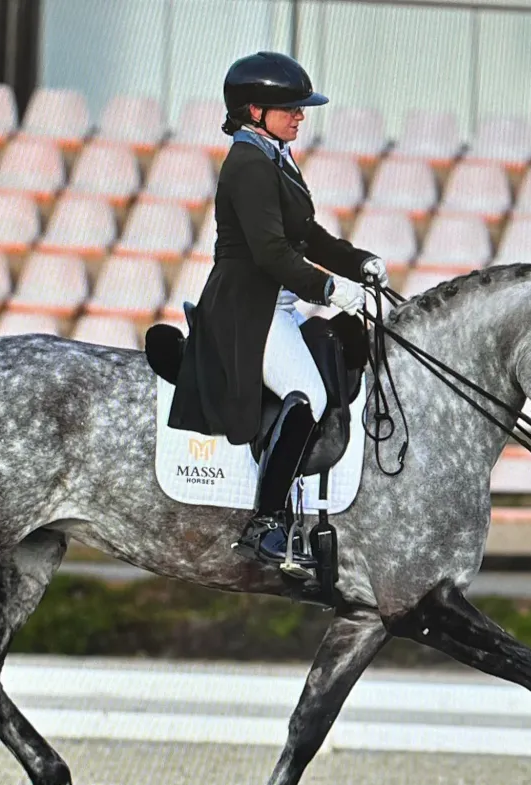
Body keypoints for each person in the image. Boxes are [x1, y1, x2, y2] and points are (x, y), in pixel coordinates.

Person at [167, 50, 389, 575]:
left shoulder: (275, 156)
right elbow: (271, 254)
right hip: (248, 306)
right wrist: (330, 289)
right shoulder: (247, 163)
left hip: (277, 301)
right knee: (308, 395)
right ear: (253, 111)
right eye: (289, 107)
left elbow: (307, 236)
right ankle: (265, 523)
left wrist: (360, 264)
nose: (301, 115)